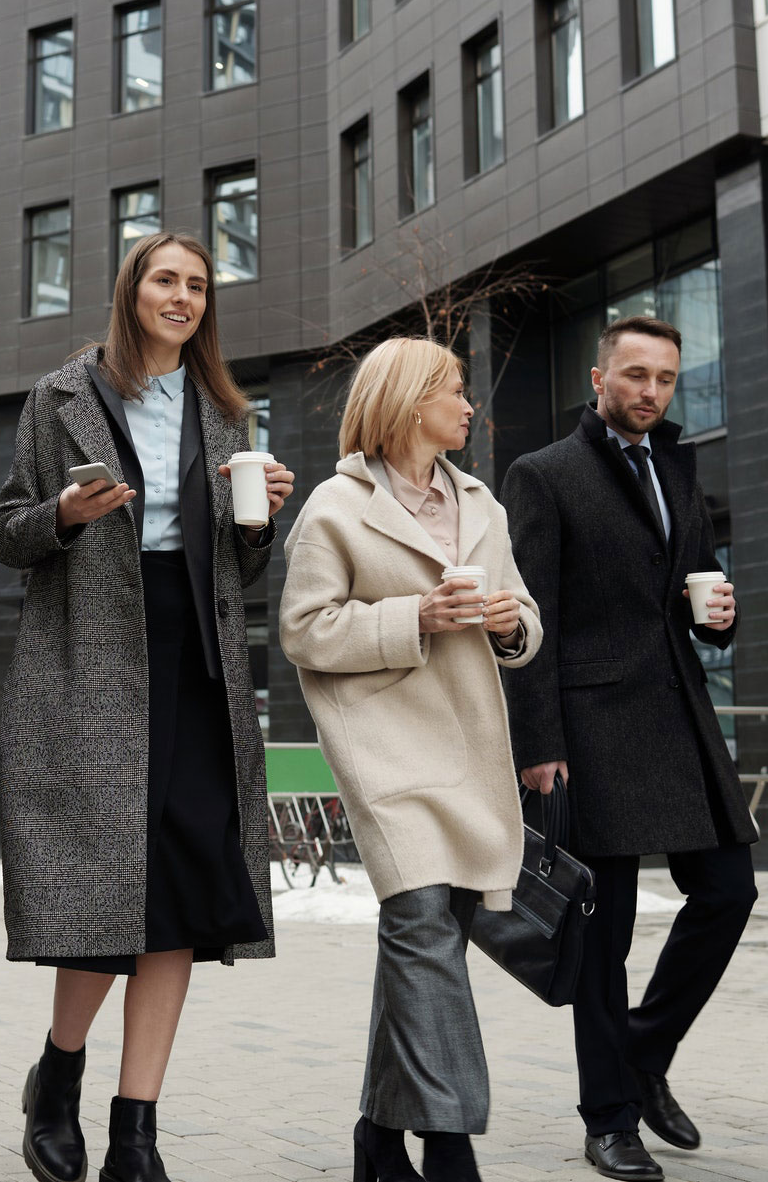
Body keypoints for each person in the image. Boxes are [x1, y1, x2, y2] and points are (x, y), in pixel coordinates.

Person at [0, 232, 293, 1182]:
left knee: (186, 898)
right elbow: (6, 534)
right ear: (132, 289)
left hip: (197, 664)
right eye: (167, 279)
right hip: (90, 661)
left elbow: (239, 573)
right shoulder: (63, 395)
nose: (184, 296)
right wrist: (66, 517)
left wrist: (261, 521)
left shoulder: (222, 412)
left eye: (199, 285)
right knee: (104, 889)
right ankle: (61, 1072)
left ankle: (136, 1130)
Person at [498, 315, 758, 1182]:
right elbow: (533, 618)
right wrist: (538, 742)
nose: (651, 391)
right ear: (599, 376)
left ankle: (643, 1051)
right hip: (592, 730)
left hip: (679, 716)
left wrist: (717, 617)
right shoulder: (544, 474)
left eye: (667, 379)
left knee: (729, 888)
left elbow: (692, 585)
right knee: (601, 937)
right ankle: (608, 1115)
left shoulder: (676, 468)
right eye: (636, 374)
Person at [280, 337, 542, 1182]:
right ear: (408, 399)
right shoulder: (333, 506)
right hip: (383, 740)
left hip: (468, 743)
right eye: (454, 391)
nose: (469, 407)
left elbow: (525, 622)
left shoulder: (483, 506)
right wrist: (415, 617)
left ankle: (378, 1132)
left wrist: (508, 623)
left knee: (433, 936)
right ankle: (450, 1144)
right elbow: (304, 629)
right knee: (423, 920)